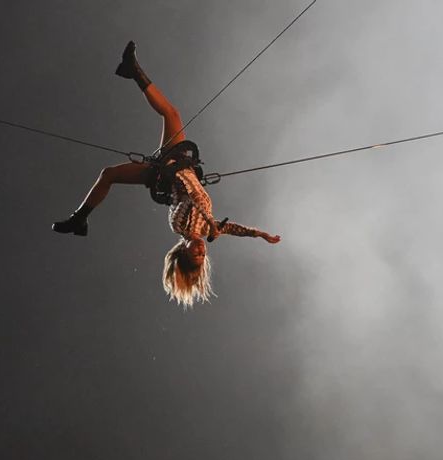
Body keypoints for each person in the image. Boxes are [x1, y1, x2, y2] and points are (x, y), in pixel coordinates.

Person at [52, 41, 280, 307]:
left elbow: (189, 199)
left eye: (194, 254)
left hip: (165, 171)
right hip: (177, 164)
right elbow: (233, 229)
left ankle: (78, 219)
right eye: (202, 256)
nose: (200, 250)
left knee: (161, 122)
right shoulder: (208, 228)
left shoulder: (180, 225)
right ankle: (80, 220)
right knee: (115, 168)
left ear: (182, 251)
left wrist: (209, 222)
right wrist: (259, 235)